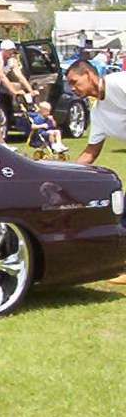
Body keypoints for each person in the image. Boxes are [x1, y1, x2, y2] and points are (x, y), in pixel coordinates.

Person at [67, 59, 126, 285]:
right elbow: (91, 152)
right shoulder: (98, 113)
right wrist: (65, 175)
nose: (72, 88)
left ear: (89, 75)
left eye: (74, 81)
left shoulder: (118, 83)